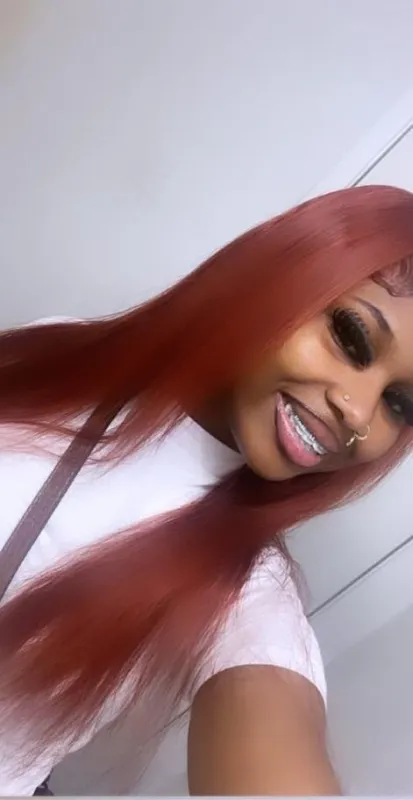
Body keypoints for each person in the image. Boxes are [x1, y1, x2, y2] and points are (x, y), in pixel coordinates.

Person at [1, 184, 413, 797]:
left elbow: (273, 719)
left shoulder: (247, 593)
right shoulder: (61, 348)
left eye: (400, 403)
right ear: (281, 277)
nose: (357, 411)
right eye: (351, 337)